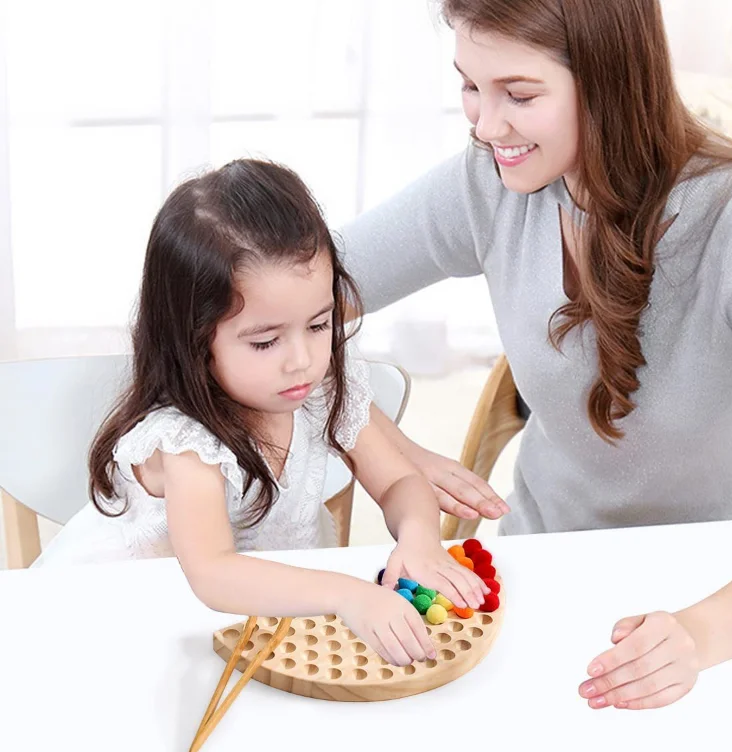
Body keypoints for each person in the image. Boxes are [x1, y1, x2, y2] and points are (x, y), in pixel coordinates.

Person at [339, 0, 732, 707]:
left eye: (518, 95)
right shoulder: (489, 182)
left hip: (729, 599)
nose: (486, 126)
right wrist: (387, 445)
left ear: (611, 79)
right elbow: (277, 304)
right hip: (542, 573)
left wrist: (698, 636)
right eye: (470, 85)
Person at [33, 158, 488, 666]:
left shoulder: (320, 388)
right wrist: (350, 594)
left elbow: (399, 481)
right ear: (194, 340)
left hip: (251, 622)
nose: (303, 360)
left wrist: (419, 539)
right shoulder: (186, 441)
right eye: (266, 341)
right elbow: (214, 573)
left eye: (319, 325)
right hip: (124, 622)